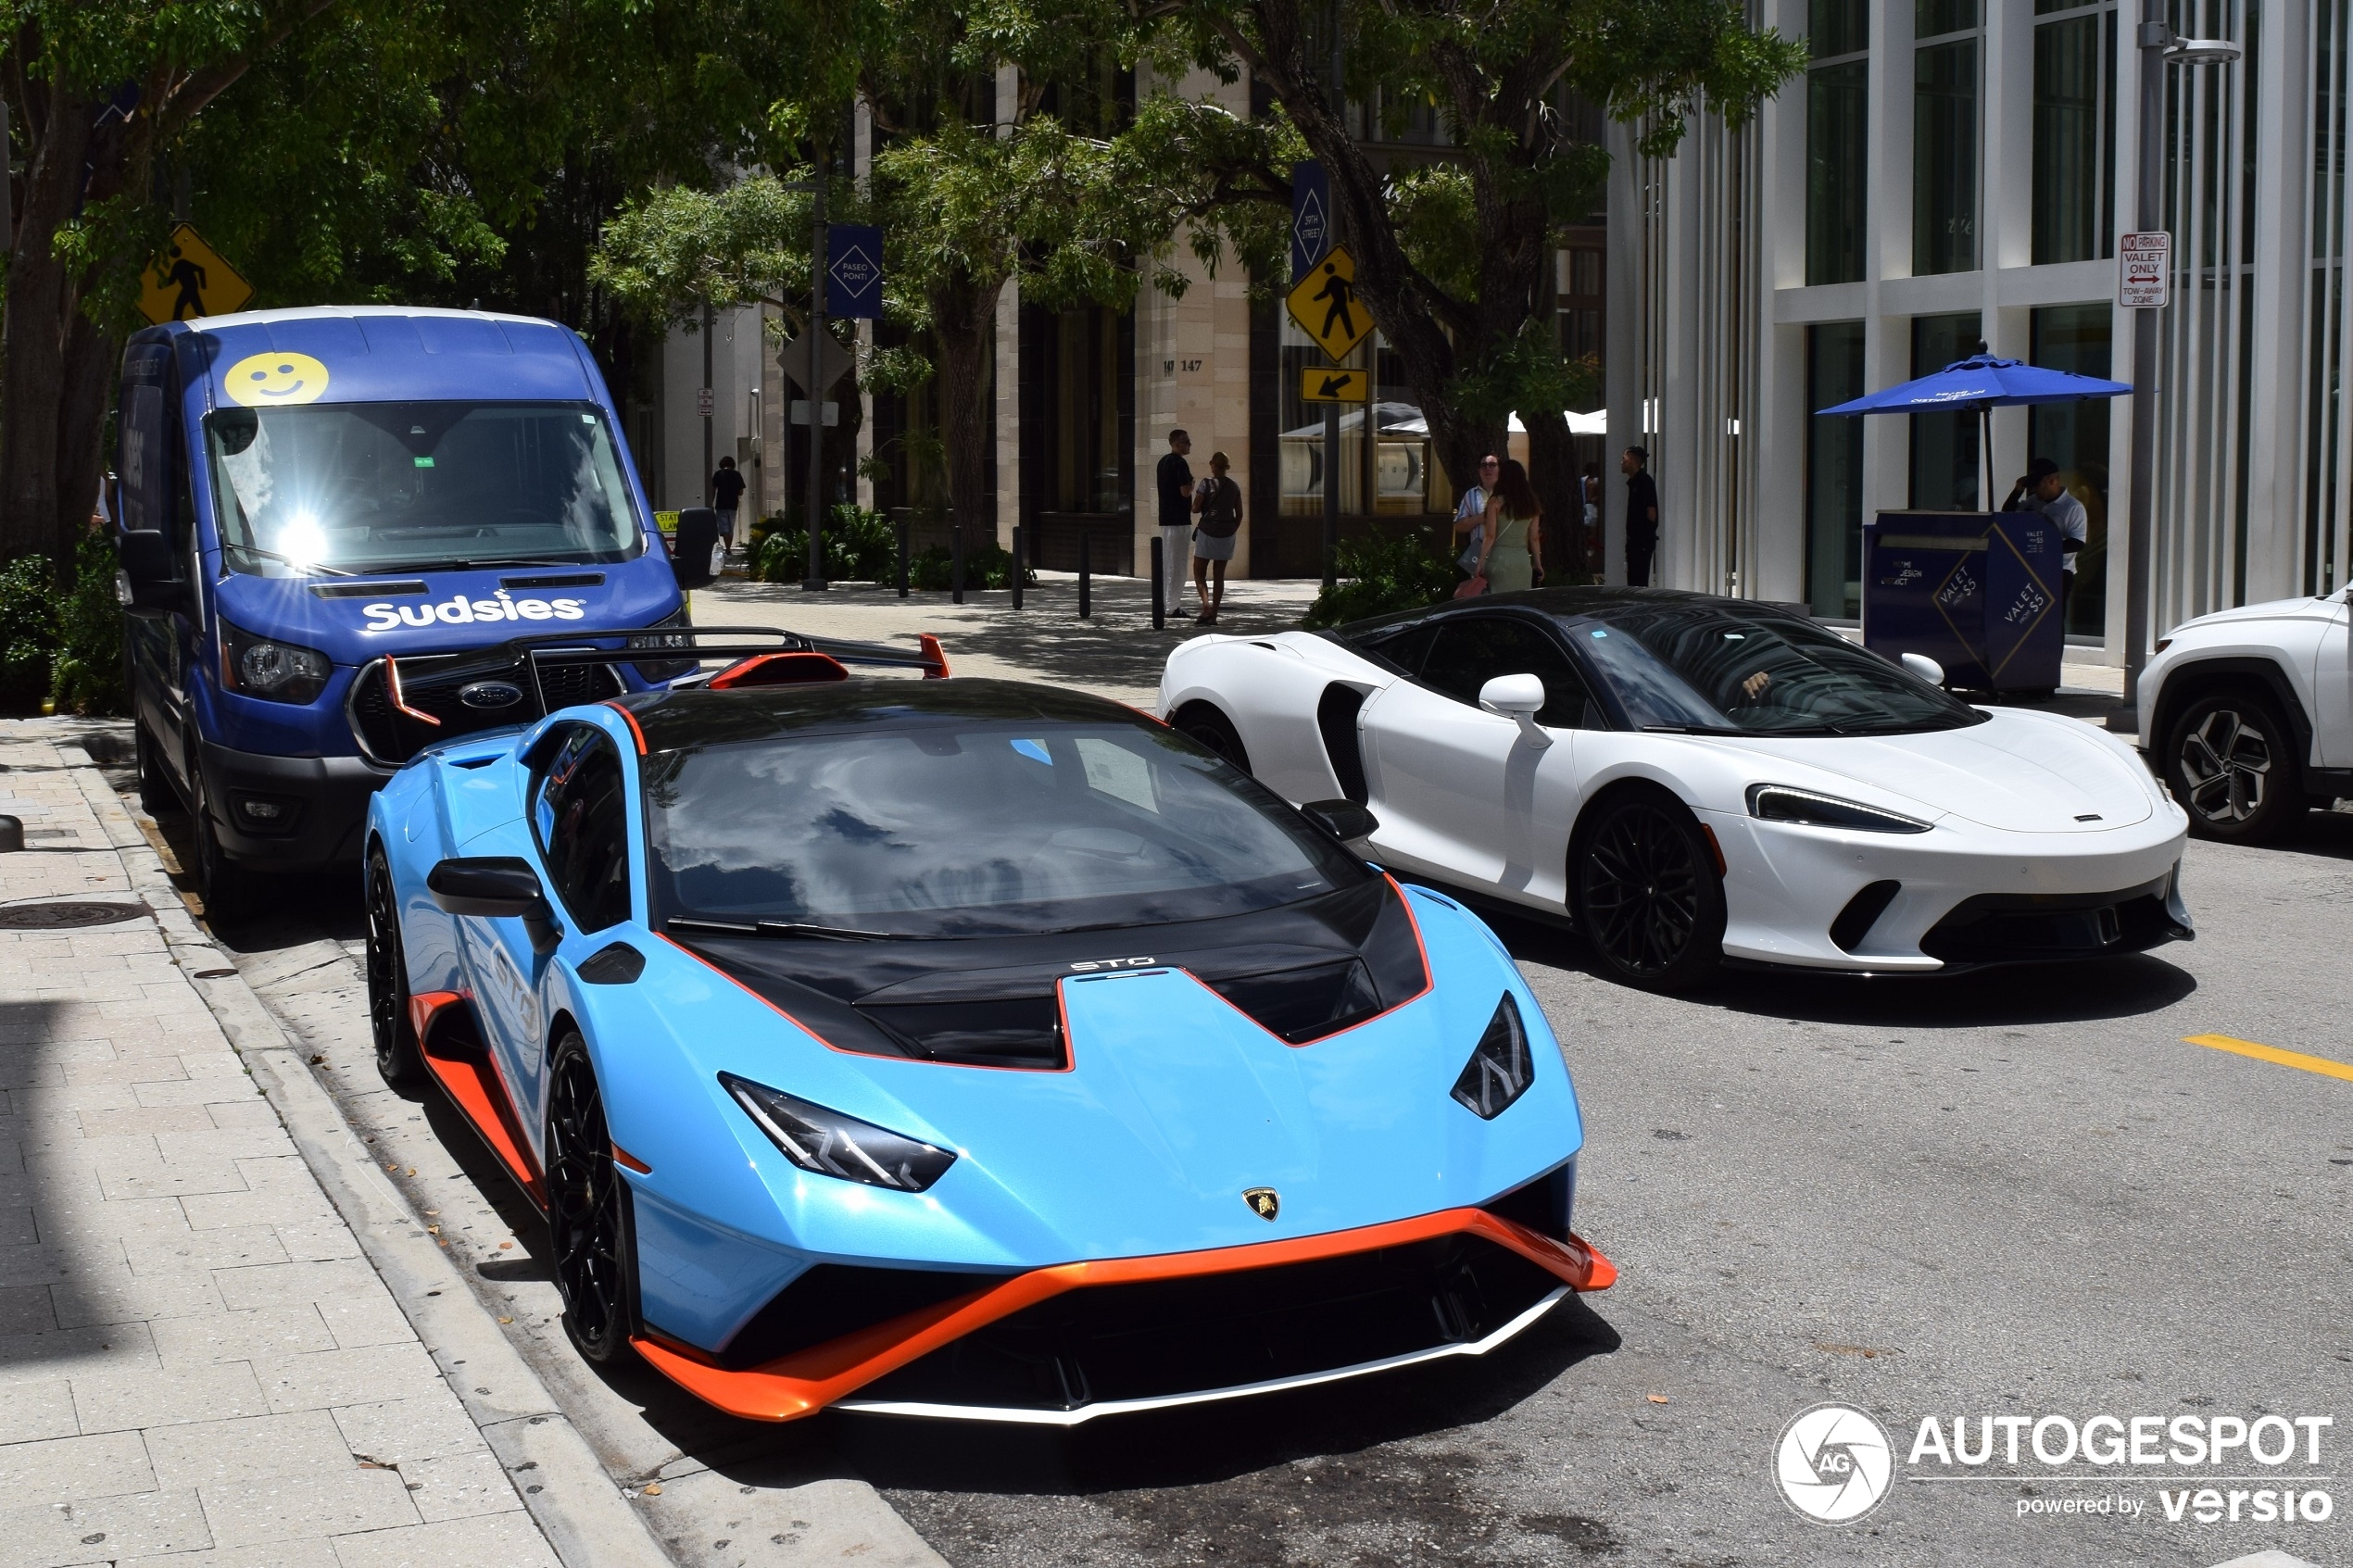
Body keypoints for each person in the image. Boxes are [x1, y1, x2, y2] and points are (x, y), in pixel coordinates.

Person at [2003, 455, 2087, 621]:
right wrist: (2017, 490)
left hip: (2059, 570)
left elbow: (2077, 542)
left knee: (2053, 619)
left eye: (2037, 485)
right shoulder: (2034, 501)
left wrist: (2044, 548)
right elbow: (2007, 515)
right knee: (2028, 617)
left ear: (2052, 481)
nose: (2034, 490)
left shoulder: (2072, 507)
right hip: (2032, 567)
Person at [1477, 458, 1545, 593]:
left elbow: (1490, 536)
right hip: (1522, 561)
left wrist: (1479, 563)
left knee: (1496, 606)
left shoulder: (1495, 502)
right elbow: (1534, 538)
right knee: (1518, 605)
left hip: (1499, 560)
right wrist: (1538, 563)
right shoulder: (1532, 503)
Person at [1190, 451, 1243, 625]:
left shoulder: (1206, 484)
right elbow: (1240, 514)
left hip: (1207, 530)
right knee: (1219, 575)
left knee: (1199, 571)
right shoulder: (1234, 486)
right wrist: (1231, 528)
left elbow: (1196, 509)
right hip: (1227, 533)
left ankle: (1206, 606)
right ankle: (1214, 614)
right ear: (1226, 467)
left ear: (1212, 464)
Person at [1156, 429, 1196, 618]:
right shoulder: (1180, 463)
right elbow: (1185, 492)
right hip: (1179, 519)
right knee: (1178, 564)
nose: (1189, 445)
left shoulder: (1163, 462)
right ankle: (1172, 606)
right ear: (1176, 444)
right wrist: (1192, 484)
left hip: (1166, 519)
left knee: (1167, 562)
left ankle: (1166, 603)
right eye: (1186, 442)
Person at [1453, 454, 1499, 577]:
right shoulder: (1470, 495)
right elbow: (1459, 526)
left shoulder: (1508, 495)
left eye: (1492, 465)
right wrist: (1479, 519)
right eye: (1483, 465)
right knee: (1480, 594)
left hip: (1502, 555)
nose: (1487, 469)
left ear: (1500, 469)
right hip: (1478, 557)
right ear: (1479, 471)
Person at [1623, 446, 1660, 587]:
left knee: (1639, 580)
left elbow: (1651, 512)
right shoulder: (1634, 483)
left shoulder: (1644, 481)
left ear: (1632, 461)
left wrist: (1644, 536)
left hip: (1641, 542)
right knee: (1633, 579)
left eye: (1624, 459)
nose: (1622, 463)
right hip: (1634, 542)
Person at [710, 456, 747, 551]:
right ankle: (728, 549)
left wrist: (711, 502)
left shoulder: (718, 474)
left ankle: (728, 549)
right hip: (733, 505)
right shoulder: (737, 475)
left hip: (721, 504)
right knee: (731, 527)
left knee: (724, 527)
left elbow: (713, 490)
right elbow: (741, 492)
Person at [1580, 461, 1603, 582]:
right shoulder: (1589, 481)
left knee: (1591, 532)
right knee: (1590, 532)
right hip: (1590, 507)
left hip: (1591, 507)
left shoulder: (1592, 481)